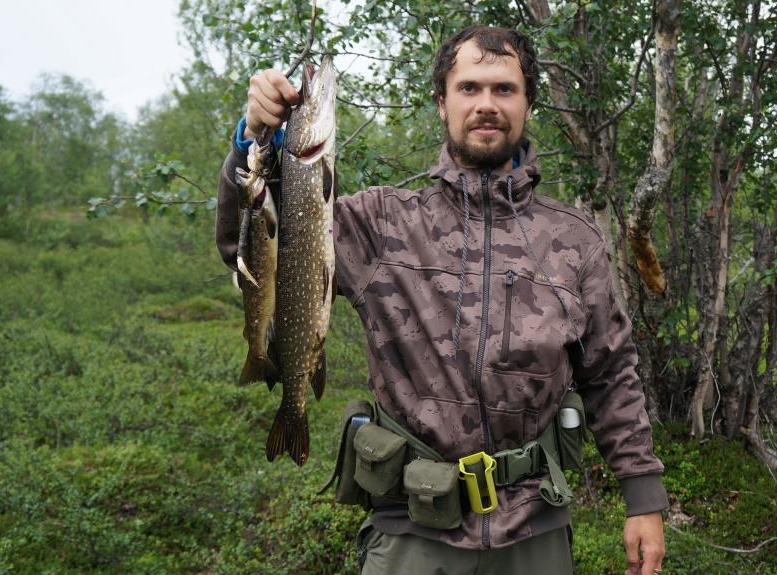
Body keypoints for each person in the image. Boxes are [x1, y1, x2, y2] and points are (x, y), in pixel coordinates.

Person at [216, 25, 668, 575]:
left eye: (504, 89)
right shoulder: (379, 224)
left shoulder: (574, 240)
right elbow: (256, 249)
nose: (486, 105)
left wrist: (643, 496)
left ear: (528, 104)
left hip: (534, 528)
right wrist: (253, 140)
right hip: (411, 528)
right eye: (469, 87)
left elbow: (611, 373)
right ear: (441, 103)